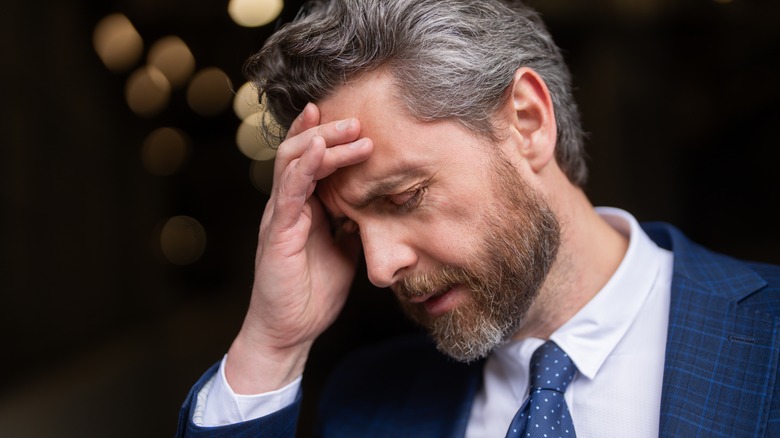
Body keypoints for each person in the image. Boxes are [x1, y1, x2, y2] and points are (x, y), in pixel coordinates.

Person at [177, 0, 780, 436]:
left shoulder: (769, 337)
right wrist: (273, 344)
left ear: (526, 121)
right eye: (349, 228)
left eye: (403, 196)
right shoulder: (365, 407)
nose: (381, 268)